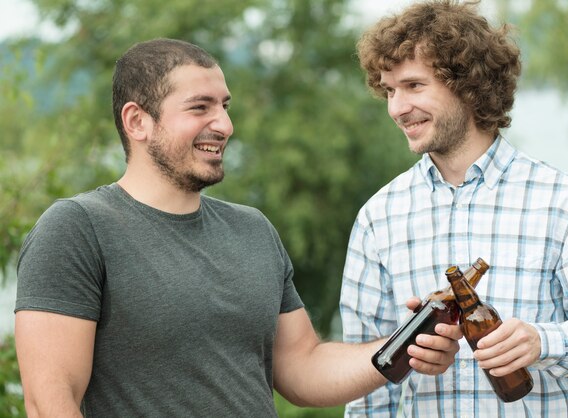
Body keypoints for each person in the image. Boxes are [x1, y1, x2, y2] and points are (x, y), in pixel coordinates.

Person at [13, 38, 462, 417]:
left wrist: (409, 342)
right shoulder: (77, 228)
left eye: (225, 106)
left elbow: (302, 368)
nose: (224, 125)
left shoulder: (252, 230)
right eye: (200, 107)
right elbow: (50, 401)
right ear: (137, 122)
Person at [340, 1, 568, 417]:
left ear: (467, 84)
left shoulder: (562, 200)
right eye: (389, 90)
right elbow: (366, 390)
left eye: (414, 86)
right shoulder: (377, 217)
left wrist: (542, 342)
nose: (396, 108)